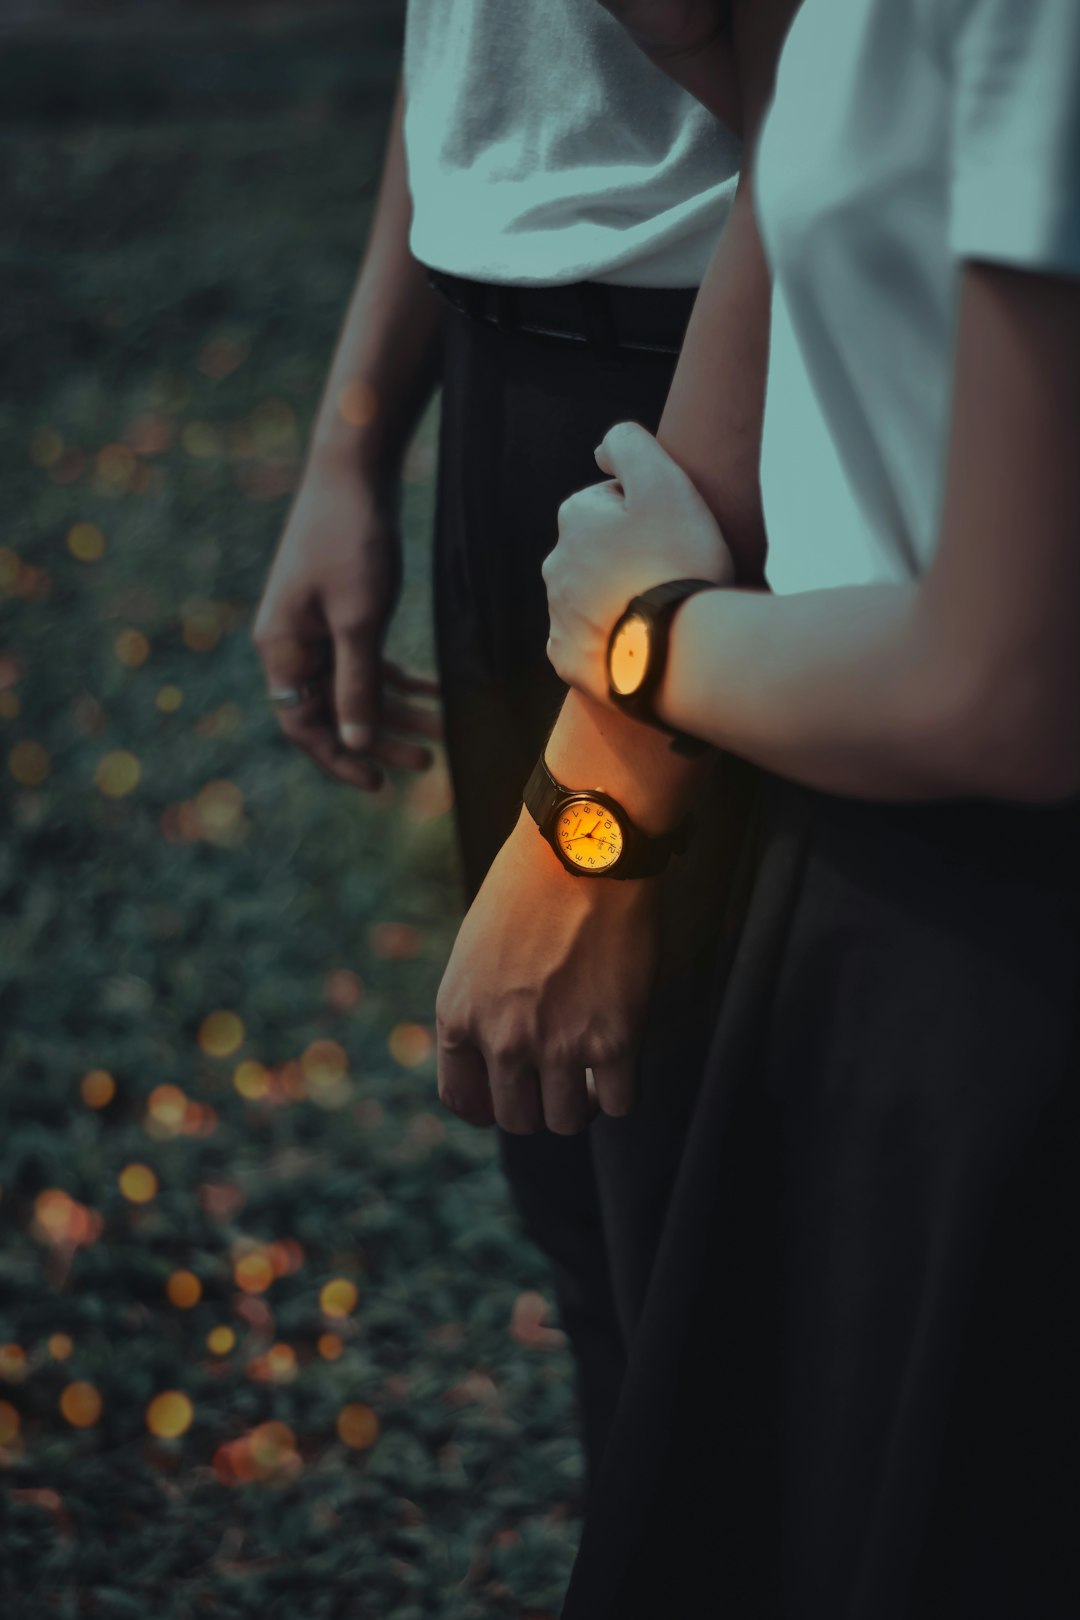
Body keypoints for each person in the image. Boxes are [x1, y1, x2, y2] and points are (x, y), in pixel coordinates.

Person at [442, 0, 1080, 1613]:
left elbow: (1015, 687)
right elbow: (784, 203)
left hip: (991, 937)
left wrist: (649, 651)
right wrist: (589, 800)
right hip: (849, 858)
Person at [252, 0, 770, 1504]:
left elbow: (815, 133)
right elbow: (461, 69)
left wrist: (585, 818)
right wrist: (356, 441)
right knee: (578, 1182)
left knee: (712, 1215)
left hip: (714, 396)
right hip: (498, 381)